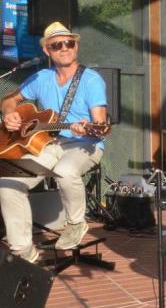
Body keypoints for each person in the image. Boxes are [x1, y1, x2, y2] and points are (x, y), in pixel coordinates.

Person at [0, 21, 107, 263]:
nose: (64, 48)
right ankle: (24, 251)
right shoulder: (41, 77)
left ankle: (76, 224)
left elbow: (99, 127)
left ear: (76, 46)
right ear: (47, 51)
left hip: (85, 144)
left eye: (69, 43)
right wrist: (9, 114)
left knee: (65, 170)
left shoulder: (91, 80)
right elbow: (9, 98)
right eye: (57, 45)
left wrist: (87, 128)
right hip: (47, 144)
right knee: (7, 181)